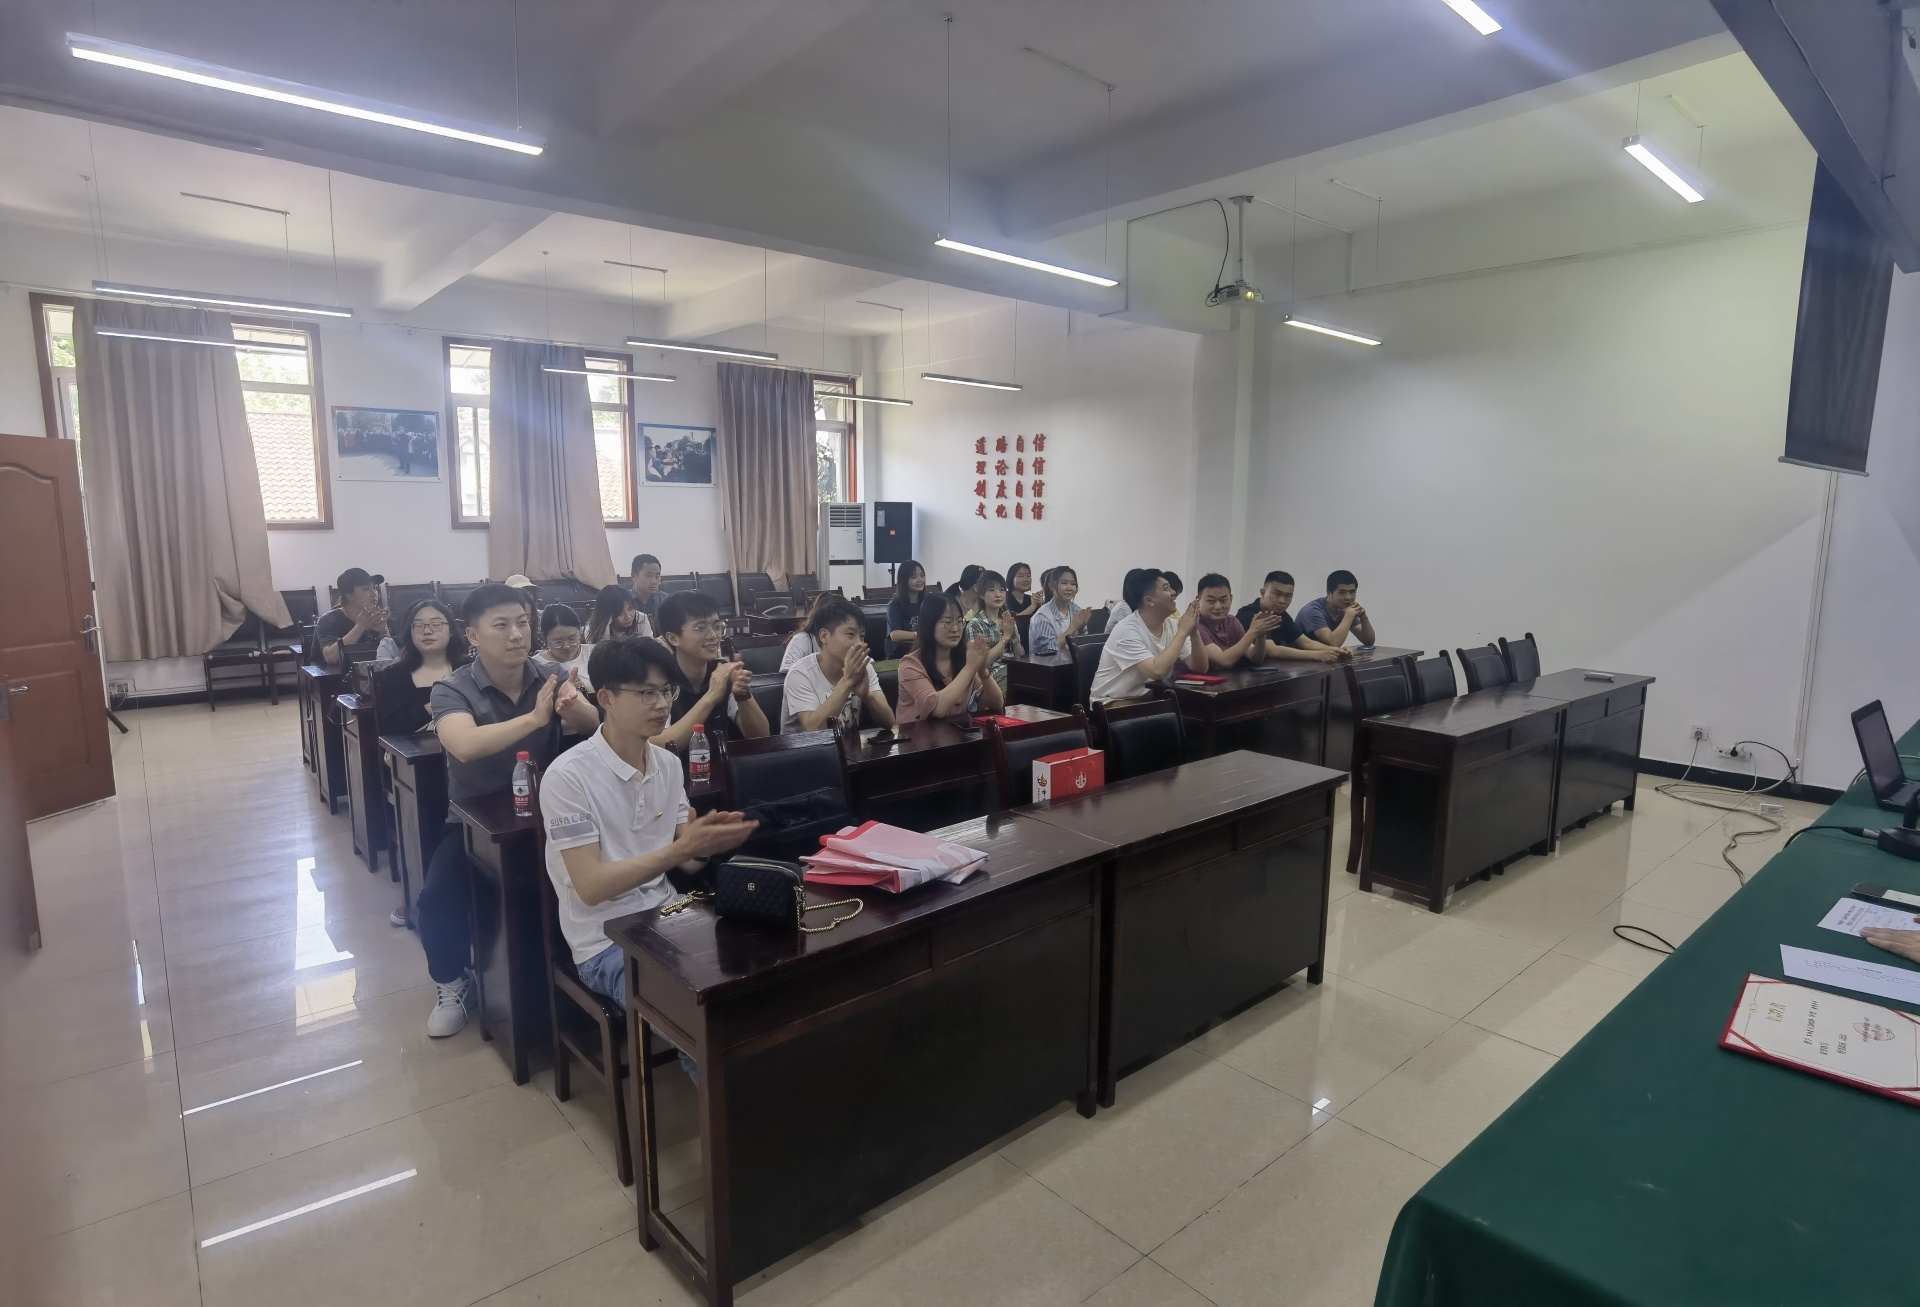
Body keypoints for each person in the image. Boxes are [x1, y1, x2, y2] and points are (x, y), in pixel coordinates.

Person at [539, 639, 758, 1027]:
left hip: (670, 916)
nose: (662, 705)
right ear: (606, 698)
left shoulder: (668, 765)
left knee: (757, 973)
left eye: (666, 691)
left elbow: (688, 864)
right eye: (646, 693)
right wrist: (680, 851)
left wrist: (703, 845)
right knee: (697, 1017)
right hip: (605, 941)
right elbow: (591, 887)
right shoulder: (567, 777)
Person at [420, 584, 602, 1037]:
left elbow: (593, 724)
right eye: (501, 625)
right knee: (437, 900)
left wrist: (572, 706)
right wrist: (535, 719)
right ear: (472, 635)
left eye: (522, 623)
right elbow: (464, 745)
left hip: (547, 814)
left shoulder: (549, 675)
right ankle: (451, 982)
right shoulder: (451, 689)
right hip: (474, 821)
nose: (517, 634)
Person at [655, 589, 769, 748]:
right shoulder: (659, 681)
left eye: (717, 626)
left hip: (722, 762)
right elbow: (659, 744)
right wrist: (711, 696)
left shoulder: (723, 672)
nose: (714, 636)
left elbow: (761, 736)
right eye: (701, 628)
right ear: (673, 638)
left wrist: (742, 695)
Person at [1090, 569, 1208, 704]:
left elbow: (1200, 668)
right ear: (1149, 601)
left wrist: (1194, 631)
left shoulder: (1173, 626)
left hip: (1151, 699)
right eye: (1166, 589)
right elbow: (1157, 671)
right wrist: (1182, 633)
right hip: (1112, 701)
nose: (1173, 593)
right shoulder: (1127, 629)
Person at [782, 594, 896, 734]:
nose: (859, 643)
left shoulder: (863, 666)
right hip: (805, 748)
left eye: (861, 636)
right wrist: (847, 681)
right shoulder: (800, 674)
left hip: (847, 747)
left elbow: (889, 722)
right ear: (824, 636)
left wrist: (867, 696)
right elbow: (814, 729)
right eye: (850, 634)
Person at [898, 592, 1004, 725]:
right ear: (929, 625)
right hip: (919, 735)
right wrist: (970, 668)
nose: (955, 629)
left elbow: (996, 704)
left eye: (959, 621)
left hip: (956, 733)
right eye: (947, 622)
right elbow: (937, 710)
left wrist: (983, 672)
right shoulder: (910, 664)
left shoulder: (963, 658)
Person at [375, 599, 466, 737]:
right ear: (410, 633)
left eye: (436, 624)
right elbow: (388, 730)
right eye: (418, 625)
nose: (427, 631)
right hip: (414, 749)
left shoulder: (468, 669)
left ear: (452, 630)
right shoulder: (394, 675)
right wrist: (434, 705)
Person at [1235, 571, 1352, 664]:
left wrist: (1337, 651)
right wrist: (1318, 655)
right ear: (1262, 592)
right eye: (1277, 594)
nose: (1282, 601)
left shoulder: (1282, 616)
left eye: (1288, 596)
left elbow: (1306, 643)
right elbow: (1271, 650)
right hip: (1241, 674)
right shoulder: (1248, 615)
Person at [1192, 574, 1281, 669]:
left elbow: (1255, 658)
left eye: (1223, 601)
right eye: (1211, 601)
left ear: (1231, 599)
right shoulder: (1195, 625)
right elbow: (1223, 660)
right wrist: (1252, 632)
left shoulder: (1231, 622)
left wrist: (1260, 636)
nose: (1218, 607)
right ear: (1198, 600)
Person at [316, 568, 389, 668]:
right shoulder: (328, 620)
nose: (374, 594)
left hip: (370, 673)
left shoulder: (378, 617)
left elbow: (392, 655)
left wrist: (383, 632)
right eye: (366, 589)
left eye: (375, 588)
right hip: (336, 675)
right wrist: (360, 627)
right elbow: (331, 658)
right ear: (349, 595)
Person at [963, 570, 1022, 692]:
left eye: (1001, 590)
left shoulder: (1007, 620)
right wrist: (1005, 637)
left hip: (1016, 668)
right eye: (991, 590)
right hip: (993, 675)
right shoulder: (975, 624)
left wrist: (1014, 637)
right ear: (981, 594)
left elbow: (1019, 656)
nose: (998, 595)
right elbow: (981, 664)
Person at [1297, 570, 1377, 648]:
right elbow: (1333, 644)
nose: (1348, 597)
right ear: (1329, 593)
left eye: (1352, 592)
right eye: (1342, 592)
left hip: (1323, 655)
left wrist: (1363, 617)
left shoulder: (1345, 609)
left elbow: (1369, 641)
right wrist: (1349, 615)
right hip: (1298, 656)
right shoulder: (1312, 611)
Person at [1029, 565, 1094, 656]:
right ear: (1052, 586)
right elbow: (1046, 650)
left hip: (1073, 662)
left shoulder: (1076, 610)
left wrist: (1082, 628)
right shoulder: (1042, 616)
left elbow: (1083, 646)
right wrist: (1072, 628)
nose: (1069, 588)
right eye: (1064, 583)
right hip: (1048, 664)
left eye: (1073, 584)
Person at [539, 604, 591, 690]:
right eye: (558, 641)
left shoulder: (594, 654)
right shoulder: (537, 666)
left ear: (580, 631)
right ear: (544, 638)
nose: (567, 646)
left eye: (572, 638)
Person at [886, 561, 928, 659]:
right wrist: (919, 635)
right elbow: (894, 635)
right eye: (914, 577)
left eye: (922, 575)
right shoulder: (894, 605)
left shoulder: (927, 602)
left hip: (923, 652)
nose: (920, 580)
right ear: (904, 580)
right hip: (900, 655)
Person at [630, 553, 664, 630]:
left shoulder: (666, 601)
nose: (654, 581)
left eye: (657, 576)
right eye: (648, 576)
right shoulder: (624, 602)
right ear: (634, 576)